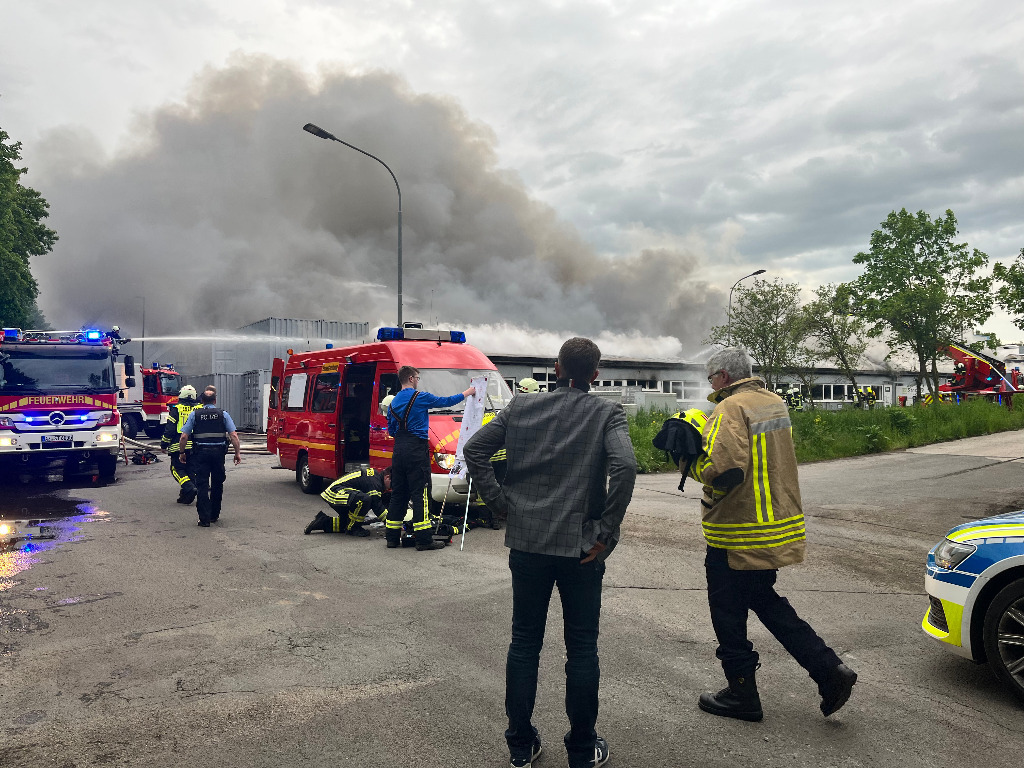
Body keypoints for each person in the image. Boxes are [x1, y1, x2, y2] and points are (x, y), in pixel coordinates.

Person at [464, 337, 637, 768]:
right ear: (595, 375)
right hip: (582, 548)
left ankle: (521, 746)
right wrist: (607, 532)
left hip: (527, 543)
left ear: (556, 368)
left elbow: (474, 449)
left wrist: (501, 504)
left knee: (524, 642)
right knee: (581, 648)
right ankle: (581, 750)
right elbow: (626, 466)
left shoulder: (521, 407)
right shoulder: (606, 412)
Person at [689, 347, 856, 722]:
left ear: (724, 377)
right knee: (765, 601)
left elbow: (724, 469)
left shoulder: (730, 408)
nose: (709, 385)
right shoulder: (774, 402)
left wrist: (688, 460)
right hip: (774, 527)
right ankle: (829, 671)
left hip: (738, 533)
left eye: (711, 377)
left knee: (727, 614)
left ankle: (742, 695)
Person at [385, 366, 475, 552]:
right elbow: (446, 401)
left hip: (399, 451)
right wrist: (468, 392)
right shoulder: (419, 397)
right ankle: (424, 540)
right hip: (416, 450)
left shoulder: (393, 403)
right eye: (417, 377)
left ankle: (392, 538)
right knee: (421, 494)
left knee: (398, 494)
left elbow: (392, 431)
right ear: (410, 378)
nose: (418, 380)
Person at [179, 386, 242, 527]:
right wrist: (237, 453)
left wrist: (182, 452)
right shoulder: (223, 414)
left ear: (201, 400)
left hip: (200, 454)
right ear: (215, 400)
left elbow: (184, 436)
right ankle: (214, 515)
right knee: (217, 484)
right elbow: (233, 435)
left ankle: (204, 519)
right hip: (218, 454)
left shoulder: (195, 414)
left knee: (202, 485)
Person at [305, 466, 392, 536]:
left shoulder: (376, 478)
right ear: (387, 477)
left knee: (346, 523)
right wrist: (391, 524)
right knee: (365, 500)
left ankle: (322, 522)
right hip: (335, 492)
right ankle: (353, 529)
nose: (391, 488)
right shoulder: (375, 483)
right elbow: (376, 505)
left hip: (341, 493)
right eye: (392, 484)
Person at [161, 384, 200, 504]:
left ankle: (189, 487)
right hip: (195, 445)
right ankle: (186, 496)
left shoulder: (176, 409)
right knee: (190, 469)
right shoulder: (200, 409)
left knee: (176, 469)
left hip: (179, 445)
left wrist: (164, 444)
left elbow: (170, 429)